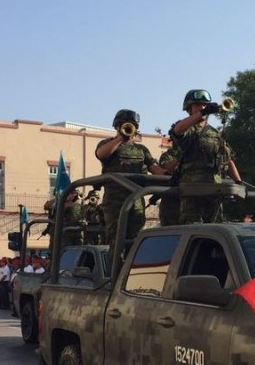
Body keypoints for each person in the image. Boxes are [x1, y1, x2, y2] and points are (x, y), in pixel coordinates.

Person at [163, 90, 242, 224]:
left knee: (215, 230)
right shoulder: (187, 128)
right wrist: (202, 113)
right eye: (198, 105)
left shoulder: (215, 133)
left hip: (215, 190)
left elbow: (228, 160)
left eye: (205, 105)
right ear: (189, 108)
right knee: (192, 228)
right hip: (192, 191)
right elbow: (177, 130)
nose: (202, 107)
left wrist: (239, 182)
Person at [94, 109, 165, 253]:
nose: (129, 128)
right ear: (117, 126)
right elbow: (101, 154)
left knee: (135, 241)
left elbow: (155, 169)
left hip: (136, 200)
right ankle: (116, 273)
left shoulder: (142, 150)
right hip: (115, 202)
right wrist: (120, 137)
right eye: (125, 125)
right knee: (117, 241)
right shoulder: (108, 144)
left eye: (132, 125)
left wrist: (168, 174)